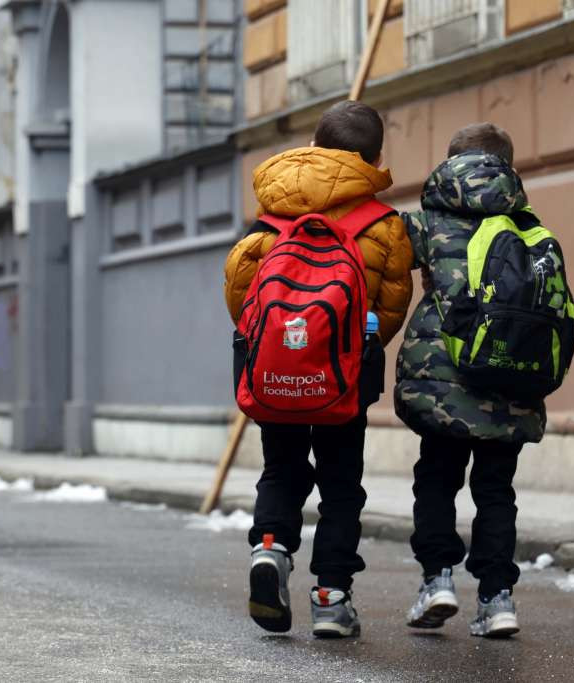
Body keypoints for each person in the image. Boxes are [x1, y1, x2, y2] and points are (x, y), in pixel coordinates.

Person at [223, 100, 413, 638]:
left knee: (281, 470)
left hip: (276, 375)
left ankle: (270, 548)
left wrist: (283, 344)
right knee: (341, 487)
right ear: (374, 157)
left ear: (313, 145)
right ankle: (331, 598)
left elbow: (241, 291)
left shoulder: (273, 210)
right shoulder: (384, 225)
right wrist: (349, 350)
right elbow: (393, 304)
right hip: (344, 383)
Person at [395, 123, 545, 638]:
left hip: (443, 381)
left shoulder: (425, 224)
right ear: (509, 167)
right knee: (496, 489)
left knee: (437, 478)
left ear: (451, 163)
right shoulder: (527, 226)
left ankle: (437, 580)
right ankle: (497, 598)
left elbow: (386, 272)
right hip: (511, 380)